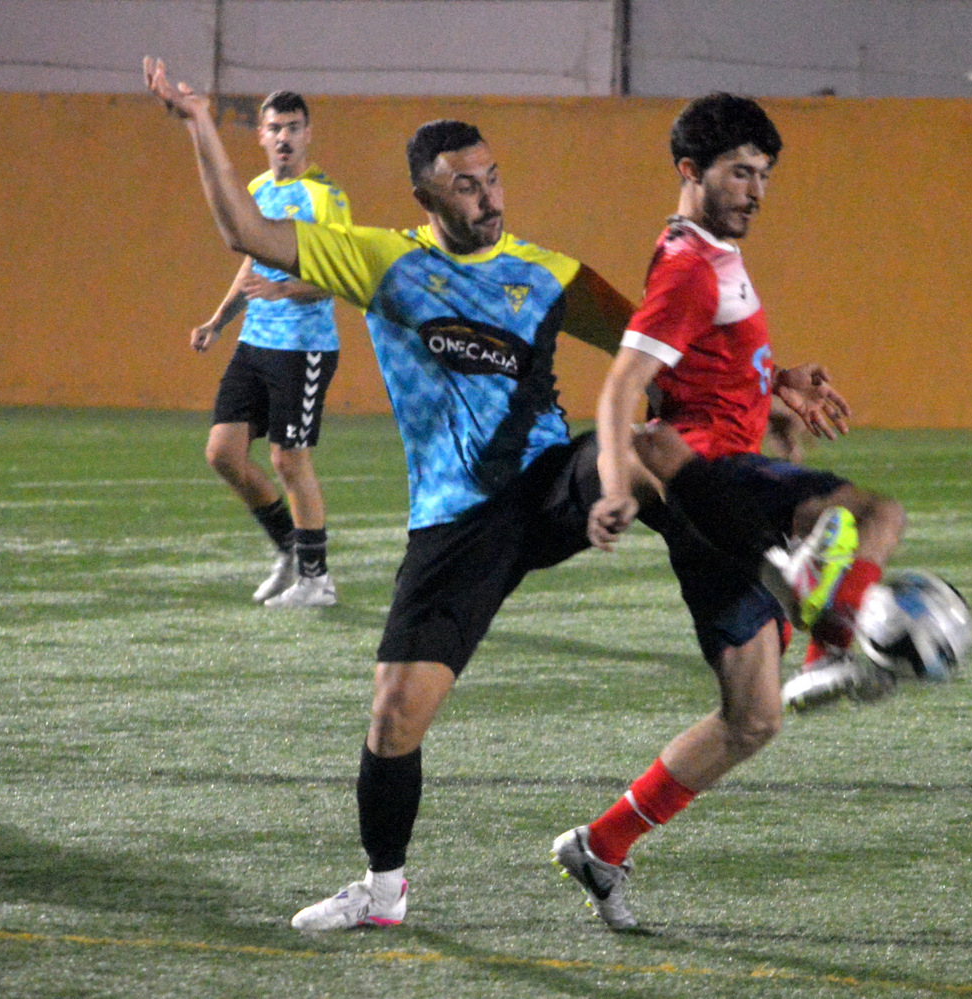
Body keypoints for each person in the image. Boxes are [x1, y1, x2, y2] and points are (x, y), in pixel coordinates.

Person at [146, 57, 664, 931]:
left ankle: (795, 576)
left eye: (492, 177)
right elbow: (242, 229)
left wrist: (777, 377)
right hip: (454, 524)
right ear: (428, 200)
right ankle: (384, 891)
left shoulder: (548, 274)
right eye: (465, 187)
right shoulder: (384, 261)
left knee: (653, 450)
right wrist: (201, 123)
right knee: (393, 718)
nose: (488, 197)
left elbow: (660, 337)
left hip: (544, 485)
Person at [552, 92, 912, 930]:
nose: (756, 190)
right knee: (872, 510)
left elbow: (696, 355)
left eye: (764, 175)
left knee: (752, 718)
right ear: (691, 172)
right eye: (740, 173)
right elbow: (625, 390)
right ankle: (835, 640)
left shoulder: (700, 250)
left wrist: (774, 378)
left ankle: (599, 846)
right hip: (713, 482)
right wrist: (613, 481)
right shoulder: (688, 265)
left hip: (719, 488)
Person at [189, 91, 353, 608]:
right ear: (261, 136)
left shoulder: (326, 196)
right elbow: (251, 265)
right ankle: (288, 547)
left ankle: (317, 580)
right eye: (275, 127)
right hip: (254, 343)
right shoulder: (257, 189)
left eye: (294, 127)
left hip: (303, 349)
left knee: (289, 461)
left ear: (309, 134)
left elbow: (342, 276)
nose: (284, 136)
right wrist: (219, 320)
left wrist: (285, 289)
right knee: (223, 453)